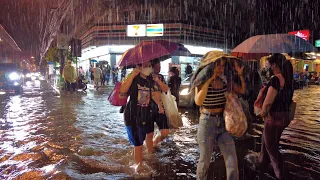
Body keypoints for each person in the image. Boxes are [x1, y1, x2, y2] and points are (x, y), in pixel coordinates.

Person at [194, 58, 245, 180]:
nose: (220, 69)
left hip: (222, 123)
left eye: (222, 66)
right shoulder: (201, 81)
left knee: (232, 159)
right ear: (211, 66)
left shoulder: (225, 80)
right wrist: (210, 79)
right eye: (218, 66)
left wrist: (240, 75)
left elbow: (242, 90)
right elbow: (198, 101)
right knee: (204, 161)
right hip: (207, 123)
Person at [120, 62, 164, 172]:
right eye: (146, 65)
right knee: (138, 143)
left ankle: (146, 158)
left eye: (150, 65)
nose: (149, 68)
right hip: (133, 115)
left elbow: (153, 94)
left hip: (146, 114)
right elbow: (123, 90)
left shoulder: (150, 80)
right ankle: (138, 168)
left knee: (147, 135)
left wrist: (159, 105)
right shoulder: (133, 77)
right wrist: (133, 74)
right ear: (139, 66)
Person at [258, 53, 294, 180]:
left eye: (270, 64)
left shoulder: (276, 80)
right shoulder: (288, 79)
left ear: (275, 65)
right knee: (266, 144)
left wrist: (261, 114)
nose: (269, 66)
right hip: (284, 117)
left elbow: (268, 103)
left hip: (273, 118)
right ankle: (261, 167)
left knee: (272, 149)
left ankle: (280, 175)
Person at [151, 59, 170, 147]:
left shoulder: (161, 77)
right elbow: (150, 93)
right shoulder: (146, 77)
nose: (158, 69)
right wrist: (158, 104)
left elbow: (166, 89)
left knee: (165, 132)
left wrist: (158, 80)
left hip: (160, 106)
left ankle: (154, 144)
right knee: (148, 132)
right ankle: (148, 148)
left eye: (160, 67)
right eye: (156, 67)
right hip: (150, 106)